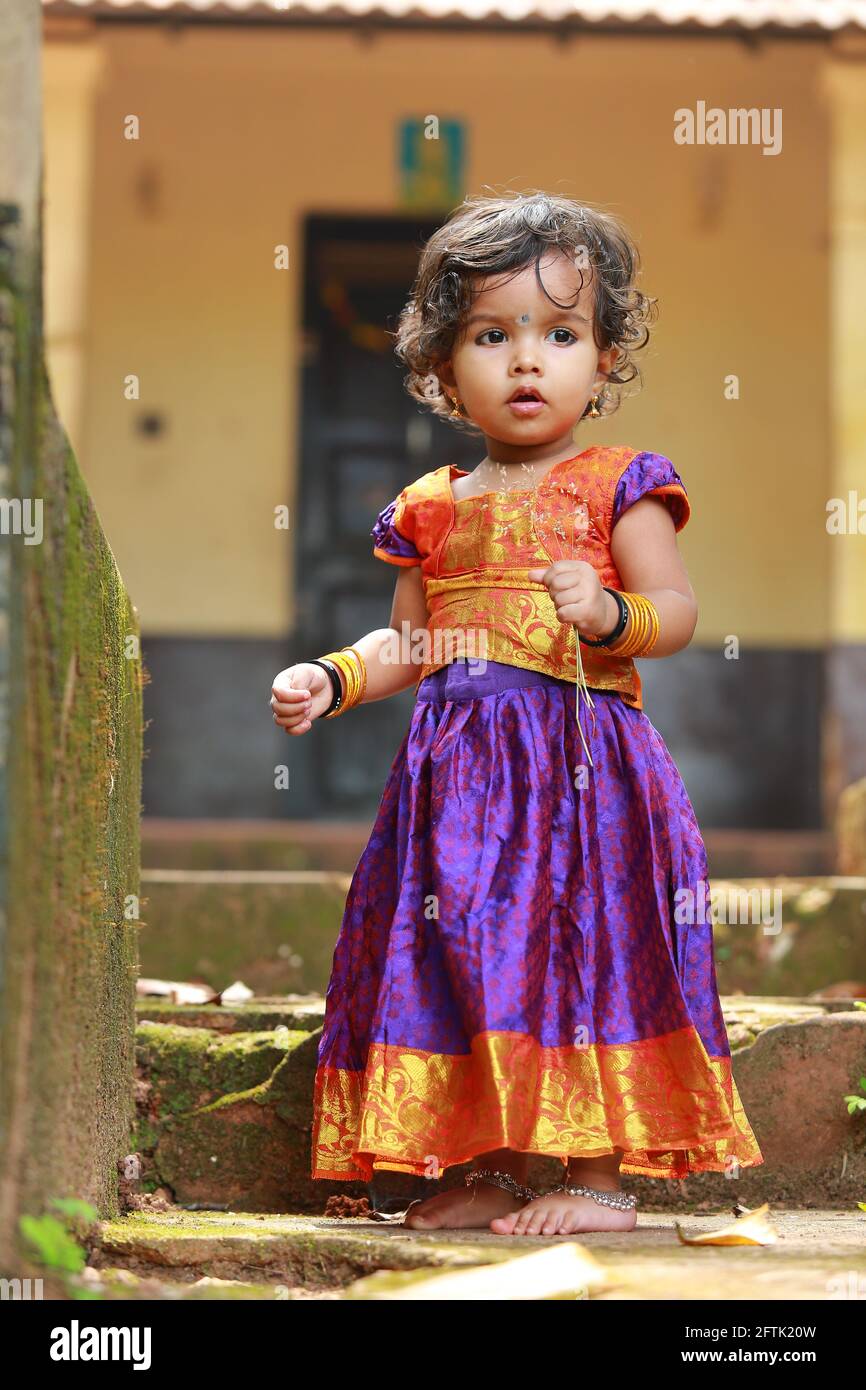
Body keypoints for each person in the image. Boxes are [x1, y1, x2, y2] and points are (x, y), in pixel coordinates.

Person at [270, 191, 763, 1238]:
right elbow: (408, 643)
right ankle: (489, 1164)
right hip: (456, 796)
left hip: (583, 782)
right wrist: (332, 676)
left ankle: (596, 1178)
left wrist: (610, 614)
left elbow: (675, 614)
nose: (527, 360)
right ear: (441, 367)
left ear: (605, 356)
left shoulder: (617, 487)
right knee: (466, 956)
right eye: (492, 335)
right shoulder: (430, 508)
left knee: (585, 950)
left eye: (560, 334)